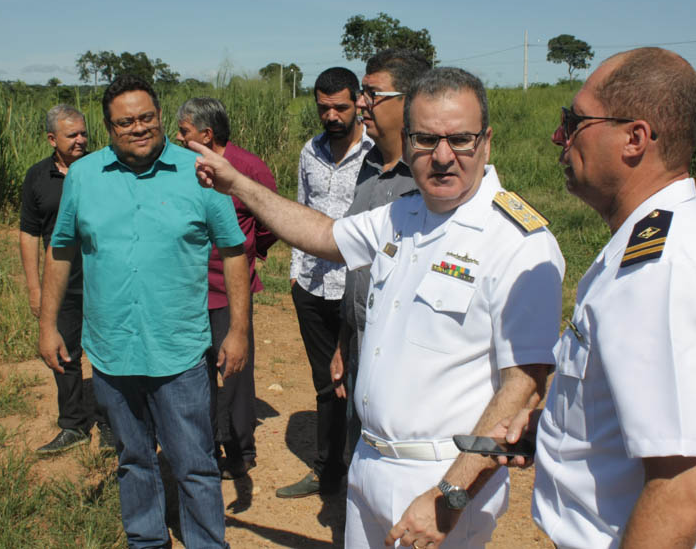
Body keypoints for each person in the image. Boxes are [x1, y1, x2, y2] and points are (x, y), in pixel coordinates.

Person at [191, 67, 565, 548]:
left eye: (461, 140)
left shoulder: (517, 242)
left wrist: (450, 496)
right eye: (427, 140)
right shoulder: (403, 213)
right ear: (407, 142)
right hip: (368, 462)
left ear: (487, 142)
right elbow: (323, 235)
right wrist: (237, 184)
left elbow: (524, 385)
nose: (444, 156)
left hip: (441, 477)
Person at [513, 47, 696, 547]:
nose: (560, 137)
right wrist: (555, 427)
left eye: (575, 121)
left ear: (635, 139)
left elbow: (683, 495)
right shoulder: (653, 244)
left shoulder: (661, 272)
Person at [38, 75, 250, 548]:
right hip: (112, 347)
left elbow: (234, 249)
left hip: (179, 348)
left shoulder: (200, 171)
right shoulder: (84, 177)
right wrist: (48, 324)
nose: (139, 128)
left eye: (147, 118)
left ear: (160, 117)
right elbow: (61, 249)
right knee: (133, 457)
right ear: (108, 128)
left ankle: (206, 543)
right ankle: (147, 540)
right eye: (125, 122)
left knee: (195, 461)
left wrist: (238, 331)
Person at [279, 67, 373, 498]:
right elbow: (301, 209)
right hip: (313, 286)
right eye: (323, 108)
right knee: (324, 381)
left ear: (358, 102)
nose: (332, 115)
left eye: (340, 106)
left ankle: (362, 474)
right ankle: (326, 470)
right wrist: (296, 272)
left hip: (359, 288)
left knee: (361, 381)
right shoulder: (309, 152)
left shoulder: (375, 156)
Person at [175, 96, 278, 480]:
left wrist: (253, 251)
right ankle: (203, 444)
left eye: (184, 132)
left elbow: (269, 217)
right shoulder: (182, 168)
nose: (179, 138)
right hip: (187, 288)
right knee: (194, 372)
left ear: (206, 134)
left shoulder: (247, 168)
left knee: (233, 371)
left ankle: (239, 449)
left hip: (229, 288)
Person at [18, 104, 112, 455]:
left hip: (102, 279)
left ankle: (110, 425)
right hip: (62, 284)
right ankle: (73, 425)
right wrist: (34, 288)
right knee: (63, 354)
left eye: (84, 133)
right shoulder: (37, 177)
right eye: (72, 135)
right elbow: (28, 234)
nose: (81, 140)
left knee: (106, 353)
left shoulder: (102, 169)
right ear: (51, 139)